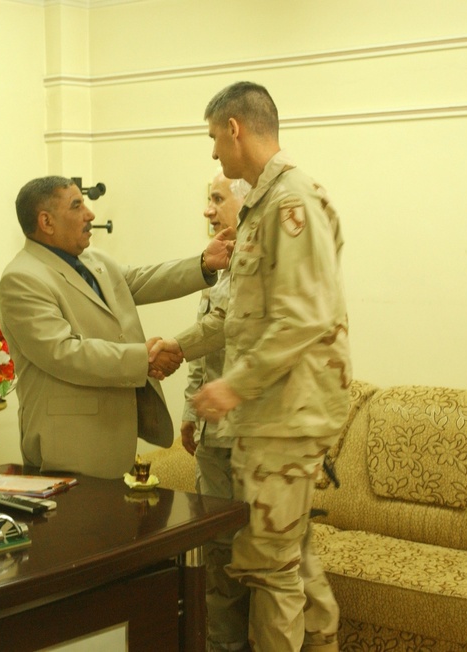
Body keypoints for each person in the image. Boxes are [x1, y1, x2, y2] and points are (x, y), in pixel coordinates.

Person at [150, 82, 350, 652]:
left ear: (234, 128)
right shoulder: (266, 202)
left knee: (271, 568)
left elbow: (303, 317)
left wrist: (232, 386)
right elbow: (239, 315)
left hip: (287, 411)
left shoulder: (292, 202)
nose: (215, 153)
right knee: (283, 557)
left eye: (215, 138)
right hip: (272, 411)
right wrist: (181, 349)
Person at [0, 175, 234, 479]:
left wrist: (203, 263)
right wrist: (144, 359)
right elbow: (63, 352)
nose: (90, 214)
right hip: (68, 445)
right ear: (46, 221)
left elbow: (142, 280)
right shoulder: (22, 278)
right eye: (77, 206)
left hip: (112, 437)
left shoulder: (92, 260)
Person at [181, 170, 251, 652]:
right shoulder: (219, 262)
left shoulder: (261, 260)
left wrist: (169, 348)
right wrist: (189, 409)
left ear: (246, 202)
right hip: (211, 439)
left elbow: (222, 328)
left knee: (253, 560)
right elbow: (207, 342)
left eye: (216, 199)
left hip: (248, 439)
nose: (208, 210)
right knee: (217, 562)